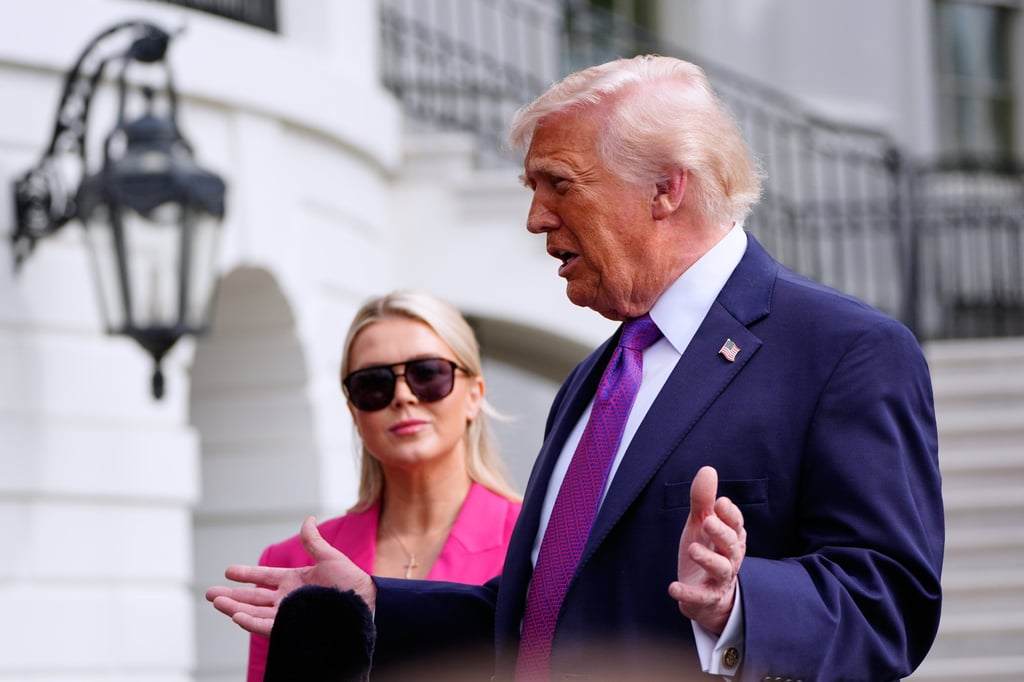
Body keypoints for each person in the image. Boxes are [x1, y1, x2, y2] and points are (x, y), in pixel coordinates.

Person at [208, 55, 944, 681]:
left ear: (666, 187)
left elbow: (891, 603)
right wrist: (374, 601)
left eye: (558, 183)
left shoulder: (845, 351)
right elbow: (534, 617)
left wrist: (739, 600)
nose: (534, 218)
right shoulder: (599, 376)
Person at [244, 290, 522, 682]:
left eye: (428, 373)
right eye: (374, 383)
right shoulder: (291, 562)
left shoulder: (542, 545)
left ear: (474, 393)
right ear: (354, 410)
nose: (404, 396)